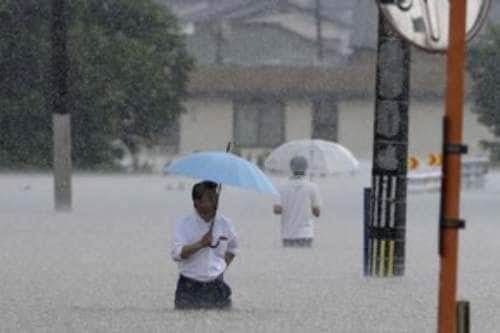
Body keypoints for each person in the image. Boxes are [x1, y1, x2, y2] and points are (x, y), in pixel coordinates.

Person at [171, 180, 238, 309]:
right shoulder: (184, 224)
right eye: (210, 197)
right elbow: (176, 254)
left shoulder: (225, 224)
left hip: (216, 285)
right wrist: (200, 244)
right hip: (189, 286)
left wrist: (221, 267)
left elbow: (232, 249)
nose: (215, 200)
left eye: (215, 196)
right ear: (197, 202)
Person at [273, 155, 322, 247]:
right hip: (306, 234)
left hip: (288, 235)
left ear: (291, 168)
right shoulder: (312, 187)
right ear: (306, 168)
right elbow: (317, 213)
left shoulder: (282, 187)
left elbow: (276, 210)